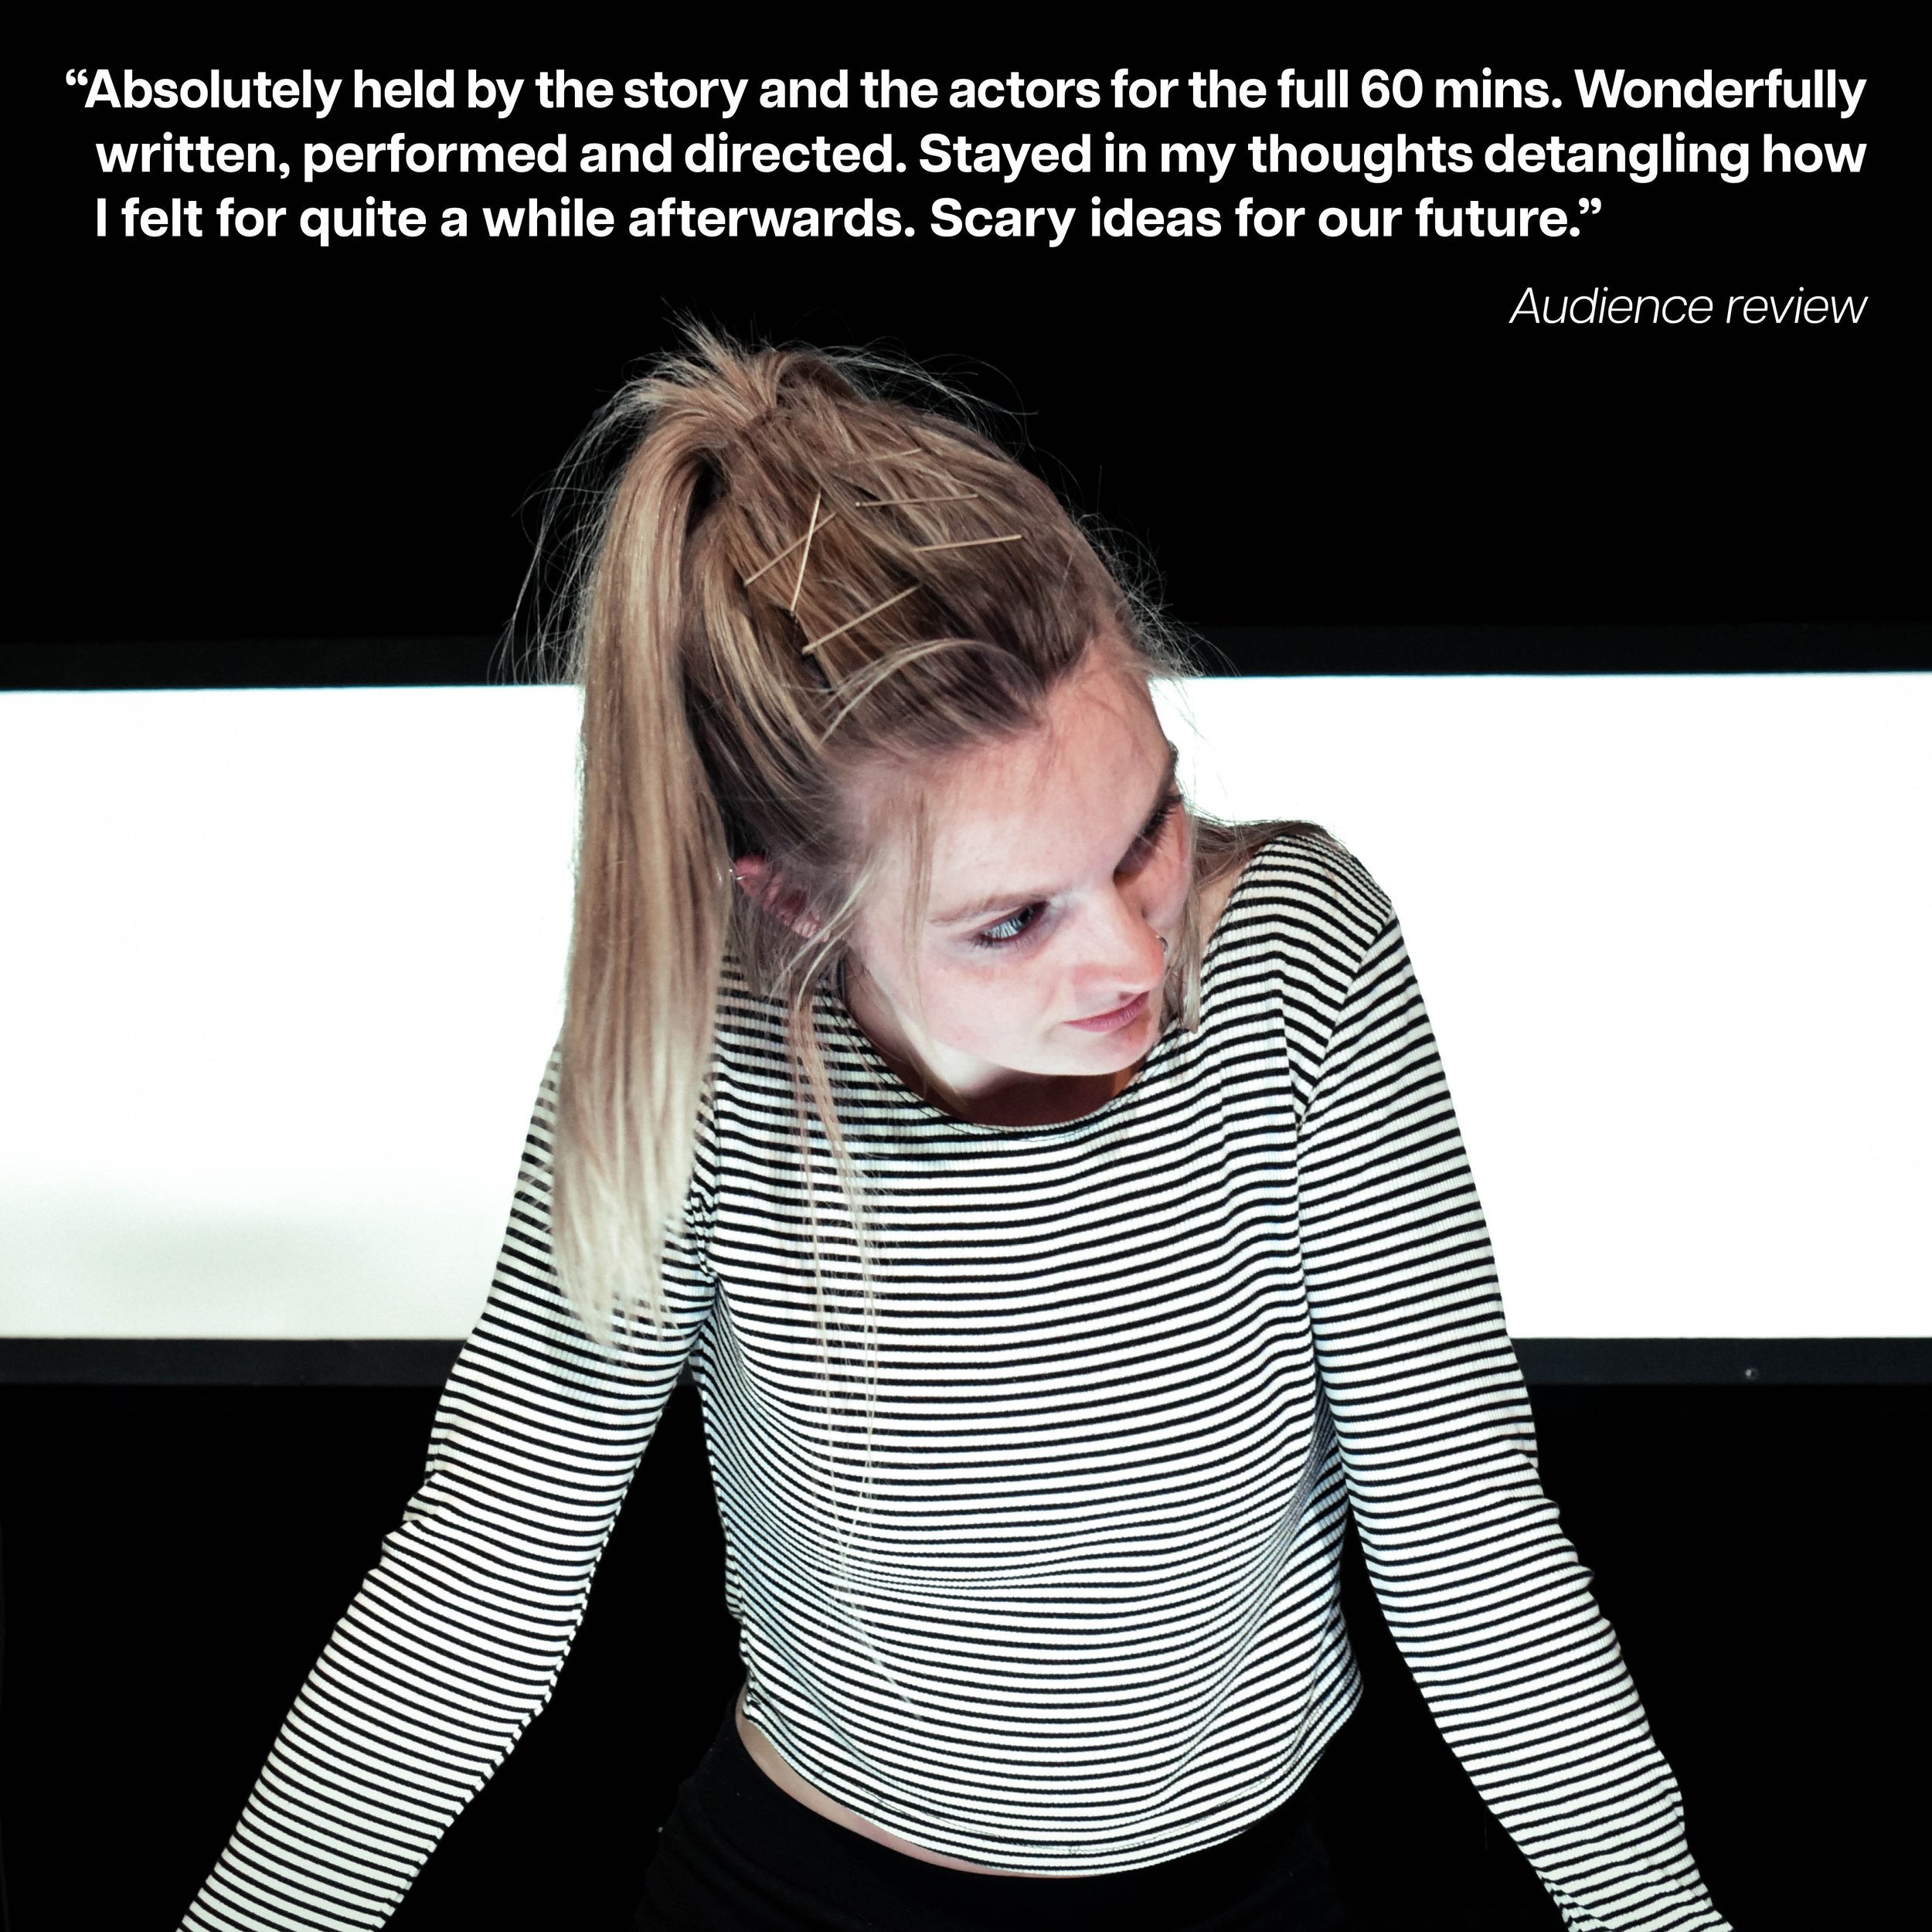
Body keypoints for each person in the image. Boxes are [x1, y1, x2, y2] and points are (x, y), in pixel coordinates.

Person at [180, 333, 1733, 1930]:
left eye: (1146, 830)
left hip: (1234, 1895)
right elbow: (485, 1558)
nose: (1134, 956)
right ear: (793, 904)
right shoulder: (694, 1041)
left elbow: (1466, 1527)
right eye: (1010, 921)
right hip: (799, 1895)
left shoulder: (1298, 956)